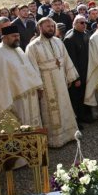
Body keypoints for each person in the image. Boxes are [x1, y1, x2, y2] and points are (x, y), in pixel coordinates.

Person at [25, 18, 79, 147]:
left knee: (65, 106)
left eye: (52, 26)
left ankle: (70, 134)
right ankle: (55, 140)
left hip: (61, 80)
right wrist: (38, 87)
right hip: (46, 84)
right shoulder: (32, 46)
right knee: (51, 111)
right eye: (47, 26)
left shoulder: (58, 41)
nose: (51, 28)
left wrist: (69, 76)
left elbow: (66, 59)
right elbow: (32, 68)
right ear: (40, 28)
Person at [0, 25, 43, 133]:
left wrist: (38, 87)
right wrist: (5, 99)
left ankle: (35, 145)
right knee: (20, 126)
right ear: (4, 37)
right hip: (14, 100)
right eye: (13, 36)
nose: (17, 38)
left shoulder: (18, 49)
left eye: (18, 36)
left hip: (29, 96)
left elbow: (28, 70)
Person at [63, 15, 93, 124]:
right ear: (74, 24)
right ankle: (78, 119)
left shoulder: (87, 34)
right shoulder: (70, 38)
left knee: (86, 94)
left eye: (85, 22)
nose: (84, 25)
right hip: (78, 74)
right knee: (77, 97)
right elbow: (71, 61)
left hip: (87, 71)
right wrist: (76, 78)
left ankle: (86, 115)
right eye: (81, 23)